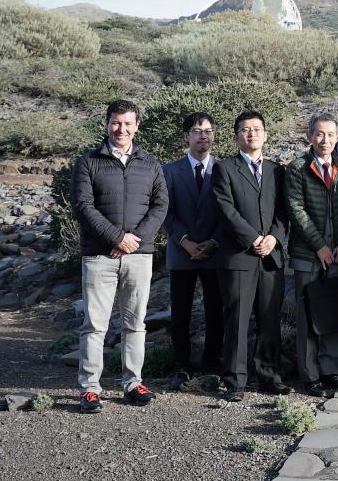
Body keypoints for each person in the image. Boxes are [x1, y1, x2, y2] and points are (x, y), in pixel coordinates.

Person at [72, 99, 169, 414]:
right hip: (99, 257)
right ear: (106, 124)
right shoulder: (88, 162)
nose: (121, 129)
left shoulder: (151, 165)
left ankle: (133, 383)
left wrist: (132, 241)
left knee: (135, 324)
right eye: (116, 122)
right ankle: (90, 389)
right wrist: (116, 238)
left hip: (139, 257)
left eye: (128, 123)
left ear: (137, 126)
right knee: (95, 325)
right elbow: (84, 206)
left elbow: (160, 206)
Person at [213, 110, 290, 402]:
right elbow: (226, 210)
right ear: (237, 137)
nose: (251, 134)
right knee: (238, 319)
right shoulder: (225, 169)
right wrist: (254, 238)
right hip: (239, 257)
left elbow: (284, 210)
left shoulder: (276, 170)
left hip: (271, 257)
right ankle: (235, 380)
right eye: (245, 130)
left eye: (257, 129)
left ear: (266, 135)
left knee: (270, 319)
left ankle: (270, 376)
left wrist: (273, 238)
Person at [285, 113, 338, 398]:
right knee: (308, 316)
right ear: (309, 136)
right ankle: (310, 374)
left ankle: (331, 369)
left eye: (330, 134)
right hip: (308, 254)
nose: (324, 139)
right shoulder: (296, 168)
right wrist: (319, 246)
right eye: (319, 134)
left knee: (334, 315)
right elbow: (296, 210)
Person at [161, 111, 224, 391]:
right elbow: (165, 212)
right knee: (181, 313)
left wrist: (212, 242)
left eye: (208, 131)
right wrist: (184, 241)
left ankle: (212, 366)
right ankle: (182, 367)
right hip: (181, 252)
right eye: (198, 131)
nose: (203, 136)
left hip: (215, 252)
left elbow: (229, 212)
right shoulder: (169, 171)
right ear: (186, 136)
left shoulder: (224, 169)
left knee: (215, 311)